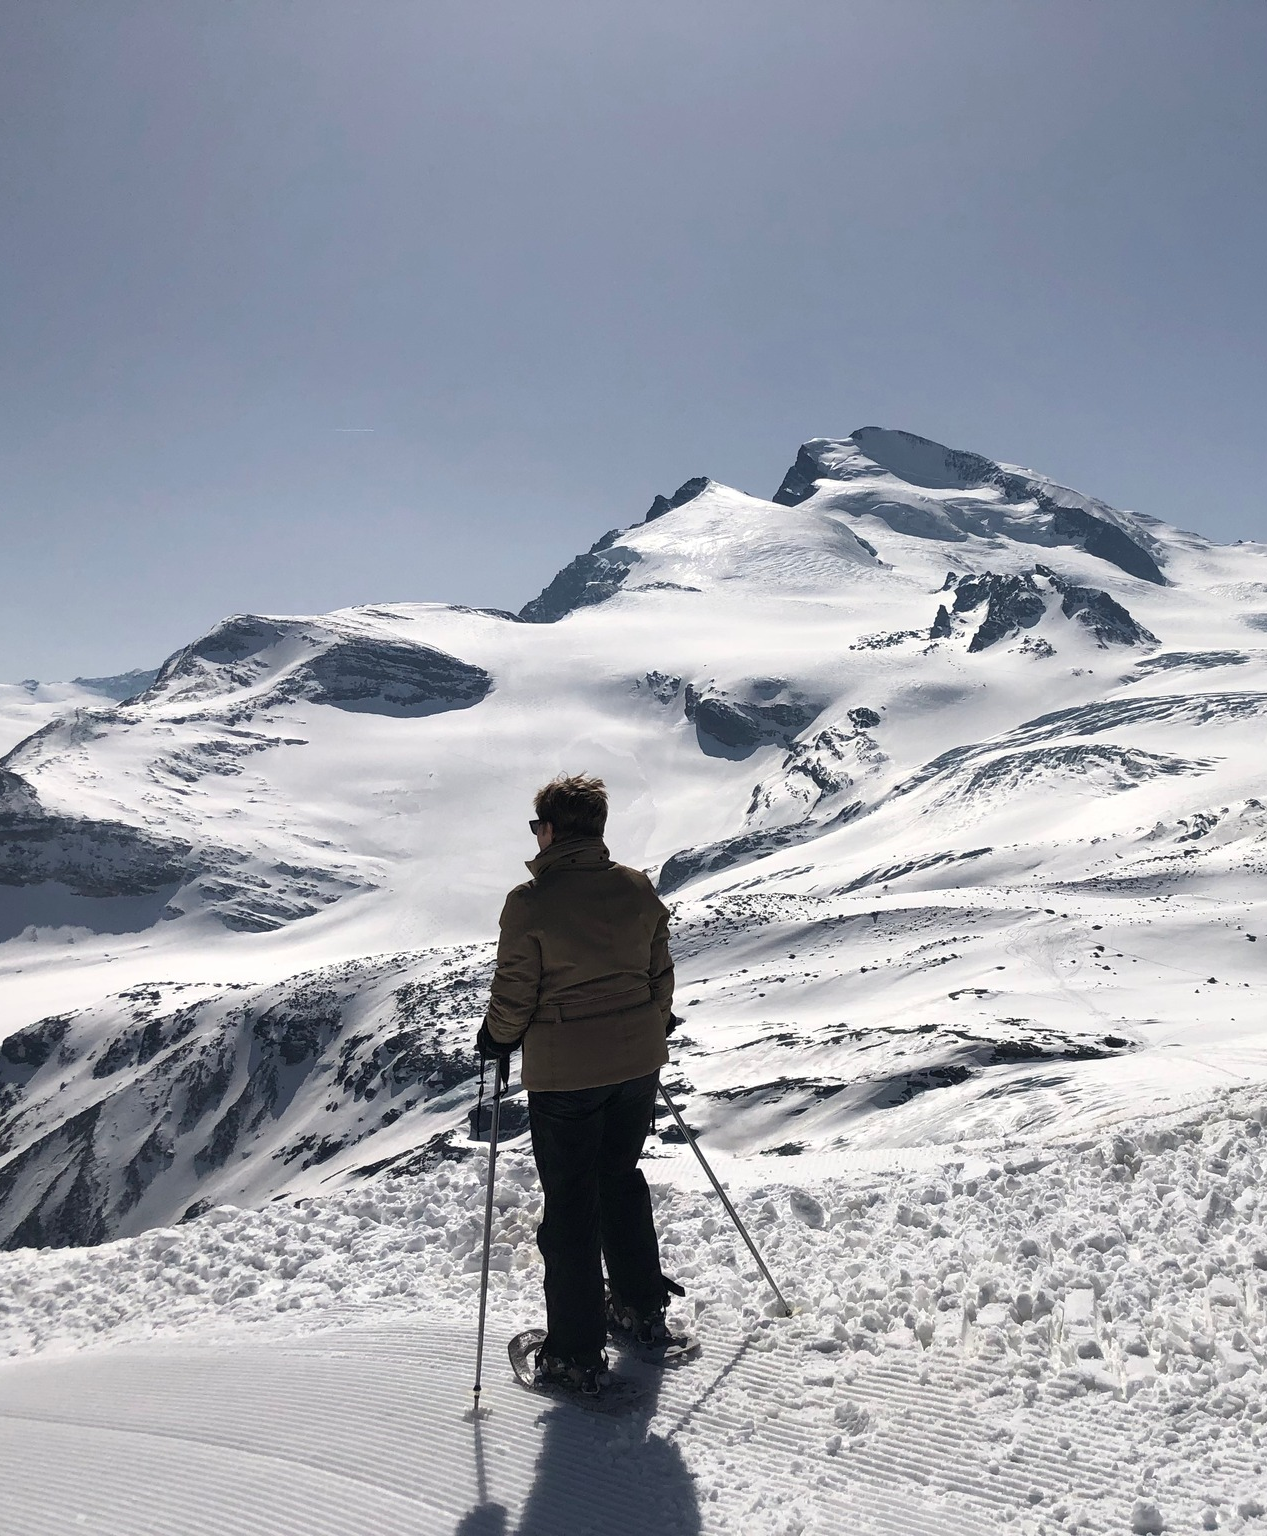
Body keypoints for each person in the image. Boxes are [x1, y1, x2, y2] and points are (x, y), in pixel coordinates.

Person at [475, 773, 680, 1395]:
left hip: (566, 1074)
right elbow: (659, 974)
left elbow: (516, 990)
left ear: (552, 829)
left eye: (537, 826)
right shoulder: (636, 888)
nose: (535, 837)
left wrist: (497, 1038)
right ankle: (641, 1308)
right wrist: (649, 1028)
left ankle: (574, 1352)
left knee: (569, 1202)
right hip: (637, 1062)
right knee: (618, 1178)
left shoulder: (531, 903)